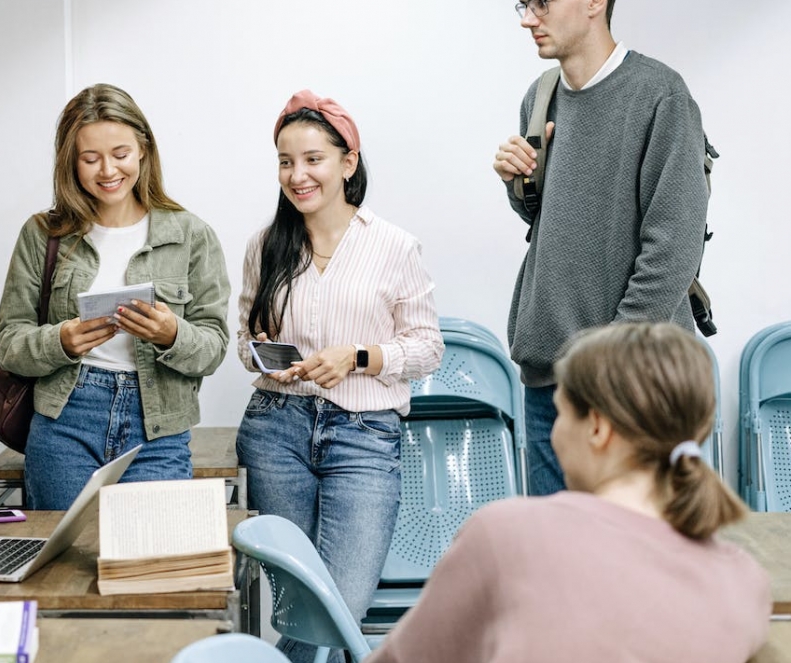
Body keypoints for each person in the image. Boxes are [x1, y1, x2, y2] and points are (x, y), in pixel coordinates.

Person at [367, 323, 770, 663]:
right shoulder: (743, 582)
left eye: (560, 413)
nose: (553, 433)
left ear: (597, 427)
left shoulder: (506, 534)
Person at [236, 90, 444, 663]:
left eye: (312, 159)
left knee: (337, 605)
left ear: (347, 163)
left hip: (364, 435)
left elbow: (428, 348)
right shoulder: (266, 245)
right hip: (275, 430)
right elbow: (243, 339)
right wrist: (262, 355)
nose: (297, 175)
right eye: (285, 162)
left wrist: (357, 357)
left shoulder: (395, 246)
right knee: (296, 601)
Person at [492, 0, 710, 495]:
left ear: (594, 3)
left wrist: (607, 364)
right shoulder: (540, 97)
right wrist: (518, 183)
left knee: (638, 560)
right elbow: (553, 221)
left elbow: (674, 247)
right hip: (549, 377)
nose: (528, 19)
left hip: (632, 383)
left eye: (542, 4)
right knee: (558, 558)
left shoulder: (661, 95)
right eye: (523, 5)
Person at [0, 83, 230, 510]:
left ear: (143, 149)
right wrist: (60, 341)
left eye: (120, 154)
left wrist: (172, 334)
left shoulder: (191, 235)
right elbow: (9, 343)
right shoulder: (42, 236)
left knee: (148, 565)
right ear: (71, 162)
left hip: (158, 427)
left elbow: (214, 347)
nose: (107, 171)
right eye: (90, 158)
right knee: (62, 568)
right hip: (65, 422)